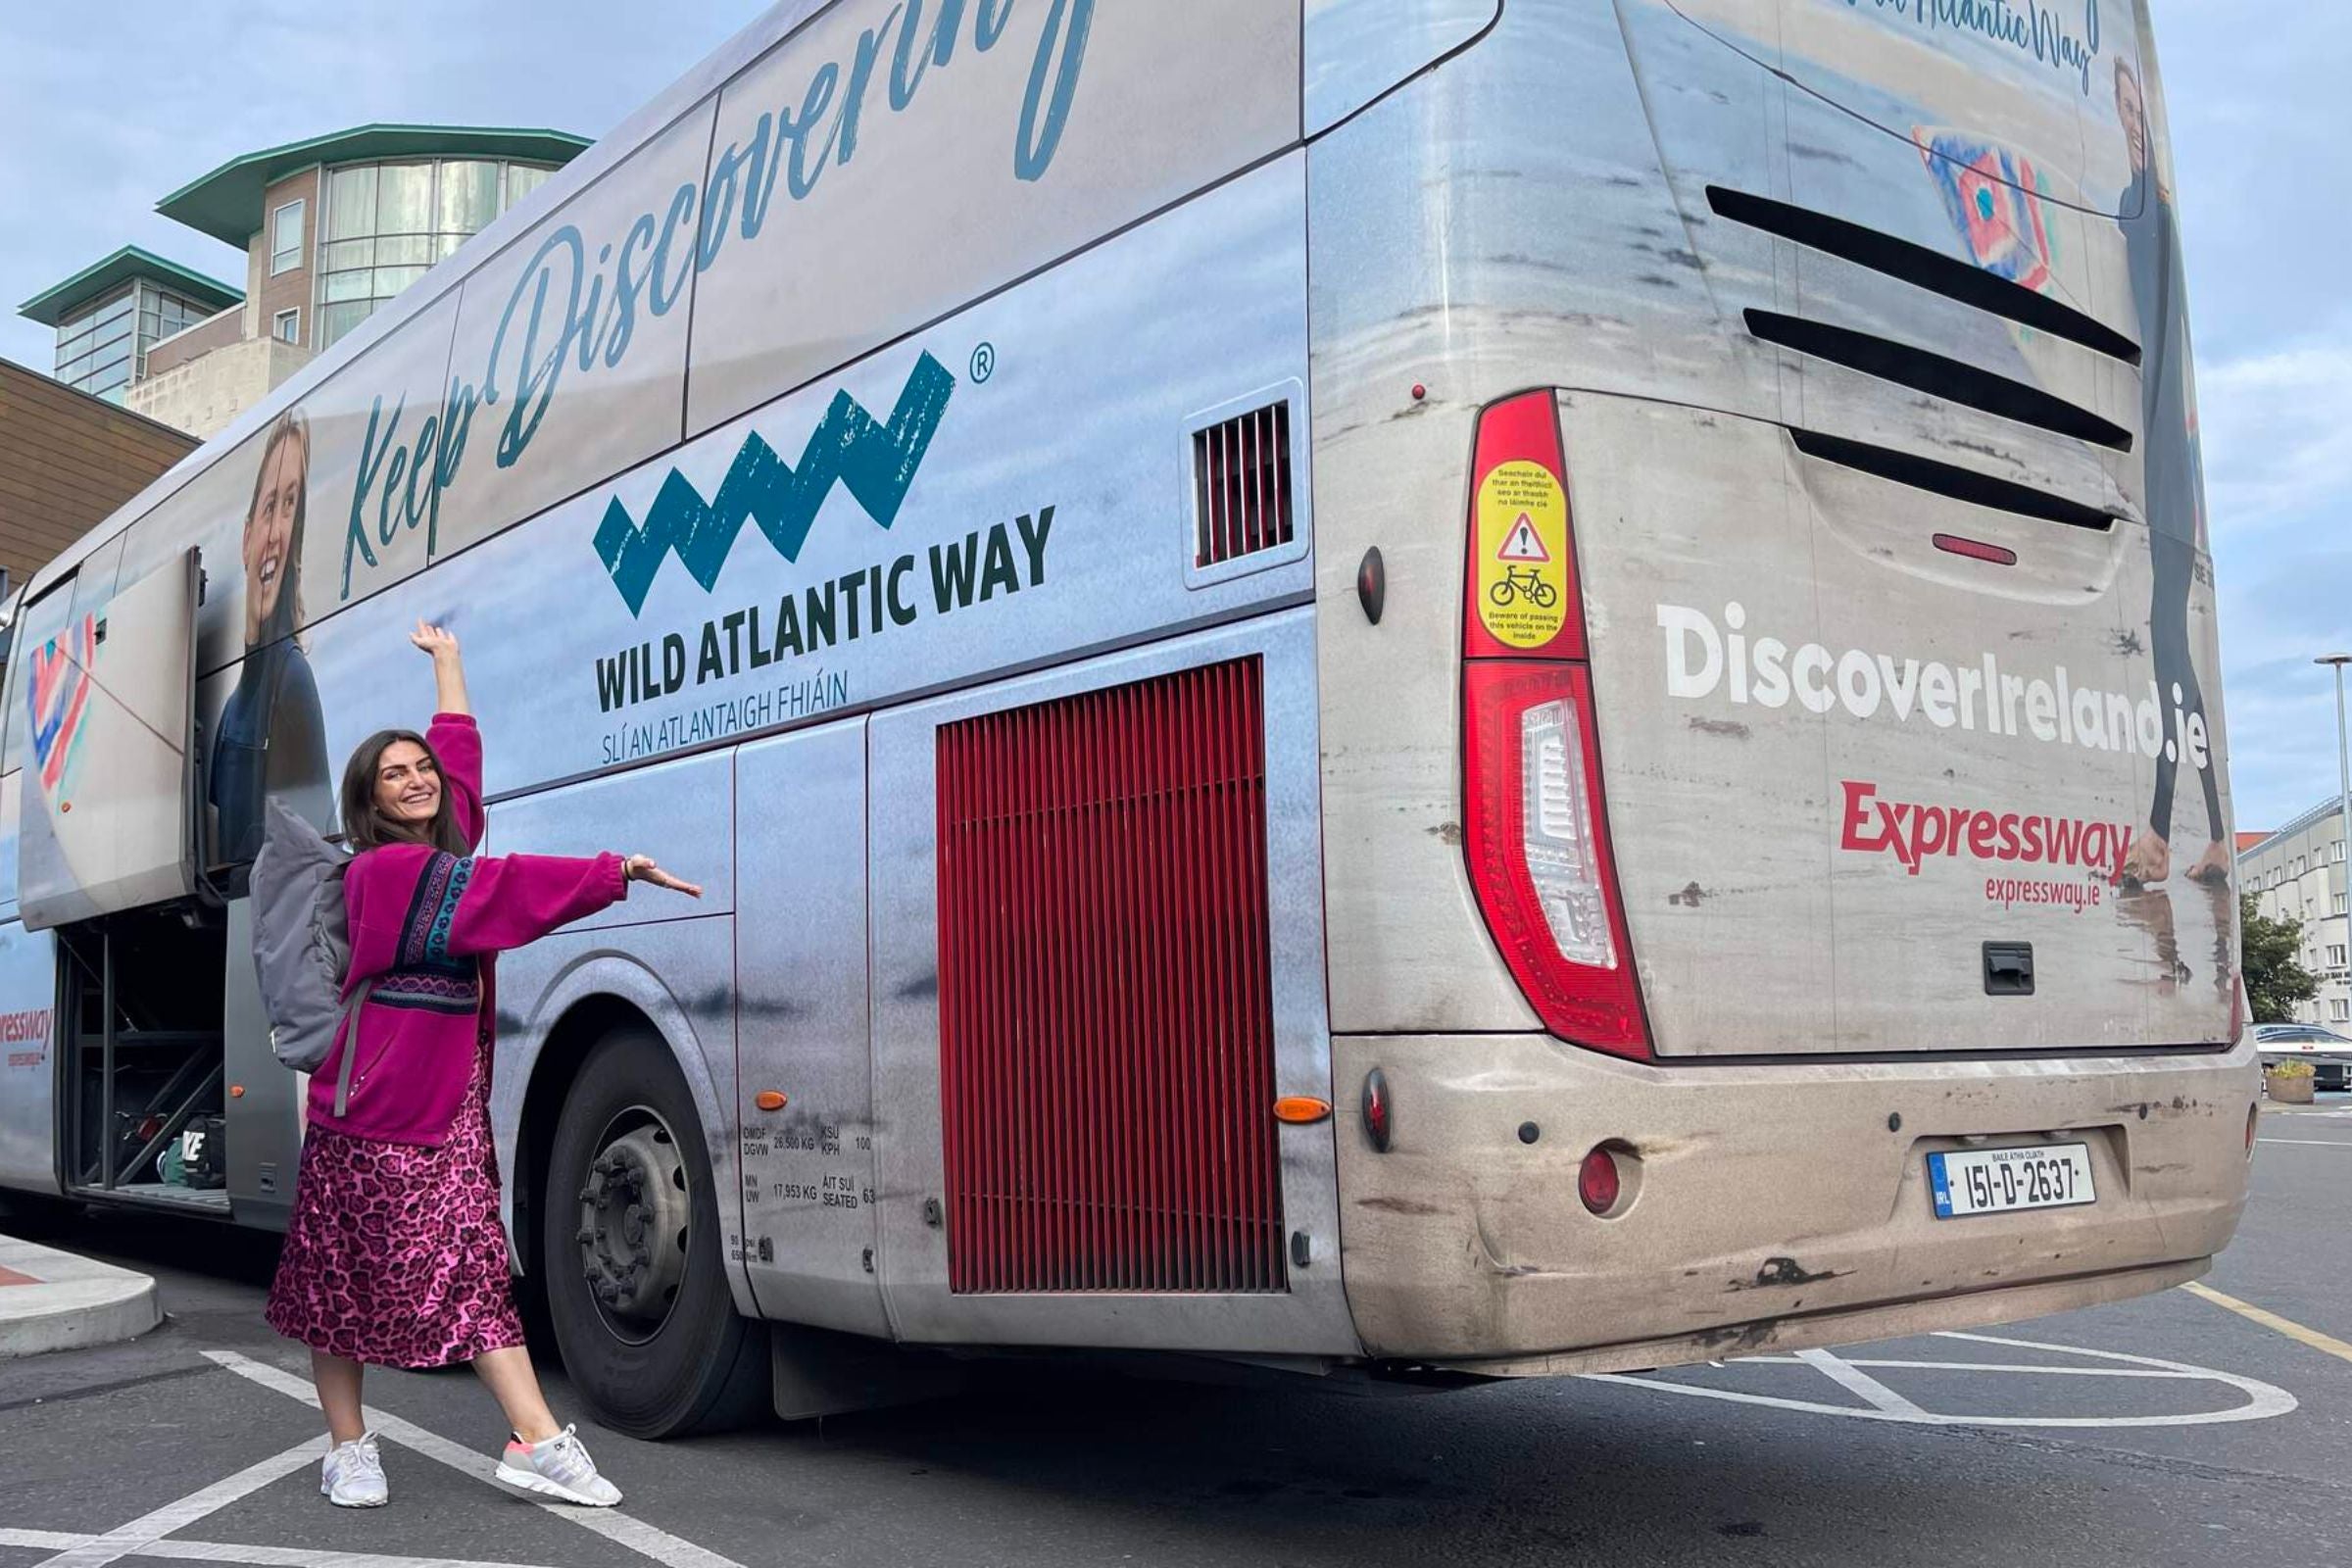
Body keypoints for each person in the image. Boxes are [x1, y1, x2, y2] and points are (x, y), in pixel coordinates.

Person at [264, 621, 702, 1509]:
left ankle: (533, 1439)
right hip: (373, 1108)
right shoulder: (386, 874)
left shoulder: (439, 842)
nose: (418, 779)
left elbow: (460, 772)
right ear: (368, 798)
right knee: (337, 1278)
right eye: (395, 773)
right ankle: (350, 1447)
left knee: (468, 1263)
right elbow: (498, 893)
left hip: (444, 1106)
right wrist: (612, 870)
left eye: (418, 767)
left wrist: (450, 665)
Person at [2112, 57, 2228, 888]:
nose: (2130, 119)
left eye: (2136, 106)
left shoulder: (2156, 209)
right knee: (2172, 655)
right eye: (2121, 107)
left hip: (2169, 456)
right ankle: (2203, 833)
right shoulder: (2133, 201)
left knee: (2168, 652)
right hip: (2156, 452)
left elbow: (2170, 341)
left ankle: (2163, 832)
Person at [210, 406, 333, 867]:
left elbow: (316, 851)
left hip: (272, 931)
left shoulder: (292, 679)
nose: (278, 531)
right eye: (270, 506)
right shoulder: (233, 709)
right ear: (246, 539)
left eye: (291, 506)